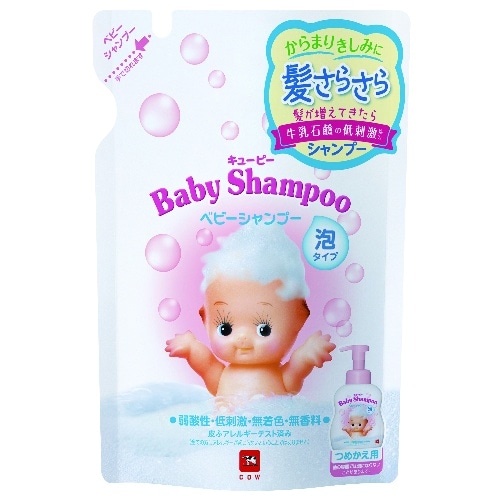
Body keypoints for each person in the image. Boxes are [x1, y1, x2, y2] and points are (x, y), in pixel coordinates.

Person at [165, 224, 335, 398]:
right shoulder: (222, 378)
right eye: (225, 329)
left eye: (264, 329)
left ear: (297, 322)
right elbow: (207, 365)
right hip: (228, 416)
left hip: (274, 416)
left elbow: (295, 369)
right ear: (205, 320)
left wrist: (307, 354)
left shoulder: (281, 378)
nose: (242, 338)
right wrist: (192, 349)